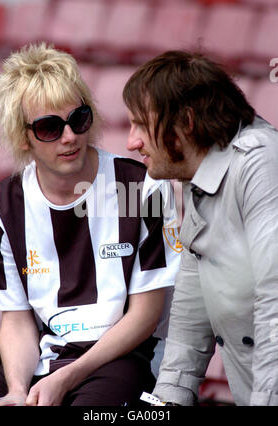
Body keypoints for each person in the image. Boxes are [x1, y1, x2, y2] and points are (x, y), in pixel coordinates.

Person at [0, 43, 180, 406]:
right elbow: (17, 318)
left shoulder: (141, 187)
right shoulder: (1, 207)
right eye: (49, 128)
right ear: (23, 136)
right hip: (45, 357)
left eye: (79, 119)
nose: (70, 136)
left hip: (129, 358)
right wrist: (18, 391)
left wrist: (68, 376)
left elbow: (147, 315)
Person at [122, 50, 278, 406]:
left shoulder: (261, 164)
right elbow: (189, 327)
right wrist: (163, 405)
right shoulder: (196, 173)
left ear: (186, 123)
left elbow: (276, 304)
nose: (132, 142)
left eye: (142, 125)